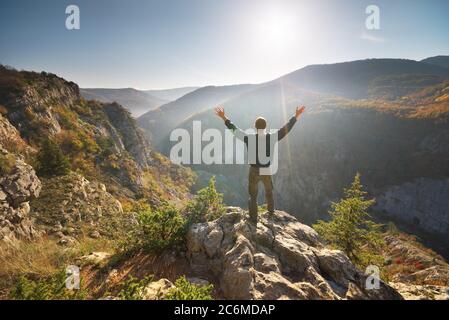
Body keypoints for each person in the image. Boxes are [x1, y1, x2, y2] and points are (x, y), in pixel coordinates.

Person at [215, 105, 306, 223]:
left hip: (253, 170)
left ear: (254, 126)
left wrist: (224, 118)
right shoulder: (272, 137)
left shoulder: (249, 138)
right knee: (269, 192)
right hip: (266, 169)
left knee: (253, 195)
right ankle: (271, 213)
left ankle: (253, 218)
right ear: (266, 126)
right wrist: (296, 116)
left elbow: (235, 130)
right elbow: (285, 129)